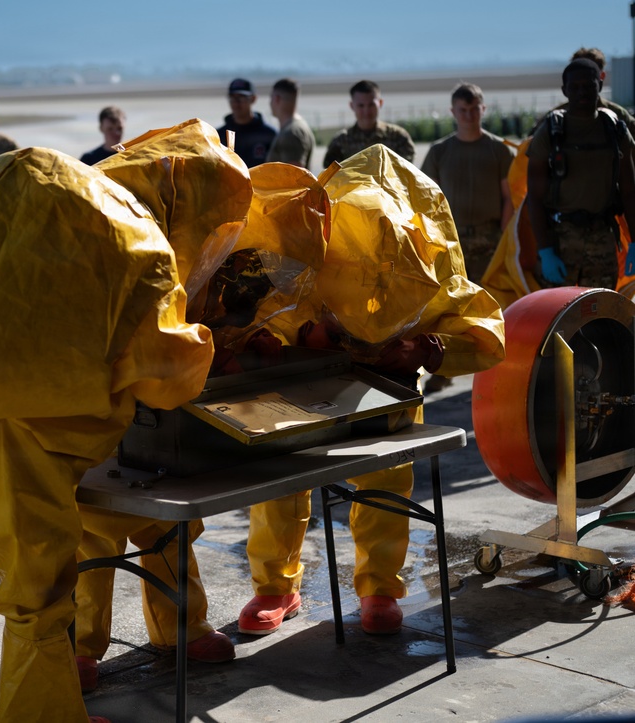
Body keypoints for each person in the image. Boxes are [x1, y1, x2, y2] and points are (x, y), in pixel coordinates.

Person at [0, 120, 250, 723]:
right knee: (37, 592)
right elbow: (167, 375)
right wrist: (209, 337)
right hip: (14, 434)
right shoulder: (135, 238)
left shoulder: (48, 184)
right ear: (183, 200)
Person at [232, 147, 504, 638]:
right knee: (279, 477)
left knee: (385, 480)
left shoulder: (423, 262)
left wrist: (426, 348)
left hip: (386, 392)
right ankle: (275, 588)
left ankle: (379, 588)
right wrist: (305, 335)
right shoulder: (311, 246)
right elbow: (265, 313)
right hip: (305, 385)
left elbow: (489, 337)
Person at [420, 84, 515, 392]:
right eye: (463, 110)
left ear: (483, 110)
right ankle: (444, 368)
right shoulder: (440, 152)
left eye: (475, 109)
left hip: (489, 238)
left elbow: (508, 199)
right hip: (452, 241)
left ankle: (498, 368)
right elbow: (426, 201)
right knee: (449, 309)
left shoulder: (499, 150)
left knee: (492, 306)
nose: (469, 115)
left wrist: (504, 238)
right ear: (453, 113)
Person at [527, 58, 635, 291]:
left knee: (600, 316)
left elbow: (629, 191)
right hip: (560, 240)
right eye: (574, 87)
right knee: (555, 320)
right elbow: (534, 197)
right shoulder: (551, 131)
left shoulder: (615, 129)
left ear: (600, 85)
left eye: (589, 85)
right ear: (564, 90)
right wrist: (545, 251)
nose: (582, 92)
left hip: (603, 237)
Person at [323, 80, 416, 168]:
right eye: (361, 106)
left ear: (380, 103)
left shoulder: (398, 137)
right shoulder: (341, 141)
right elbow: (332, 176)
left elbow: (405, 171)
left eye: (371, 105)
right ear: (352, 106)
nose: (366, 111)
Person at [216, 78, 277, 168]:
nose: (236, 103)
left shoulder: (269, 134)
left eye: (241, 97)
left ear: (253, 99)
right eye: (232, 97)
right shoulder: (219, 136)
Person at [266, 78, 316, 169]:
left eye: (271, 98)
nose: (270, 103)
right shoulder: (297, 127)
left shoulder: (292, 133)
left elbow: (294, 177)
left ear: (277, 99)